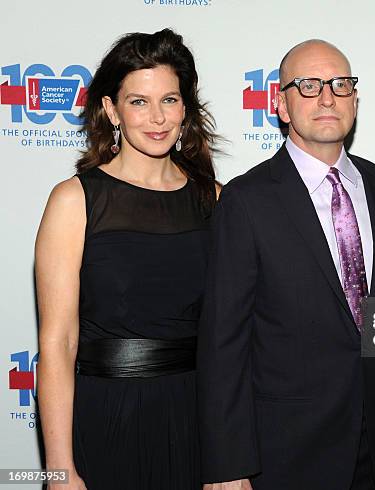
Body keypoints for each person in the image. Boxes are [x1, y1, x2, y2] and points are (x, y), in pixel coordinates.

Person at [198, 39, 375, 490]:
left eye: (340, 84)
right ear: (282, 105)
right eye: (308, 85)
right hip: (282, 451)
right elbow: (222, 342)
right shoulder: (246, 200)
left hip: (372, 442)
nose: (327, 97)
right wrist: (227, 465)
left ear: (355, 98)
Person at [35, 28, 218, 490]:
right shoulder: (75, 201)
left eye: (170, 100)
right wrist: (59, 471)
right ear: (111, 110)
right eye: (138, 102)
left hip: (196, 418)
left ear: (185, 108)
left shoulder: (216, 201)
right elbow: (57, 344)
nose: (157, 117)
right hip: (106, 414)